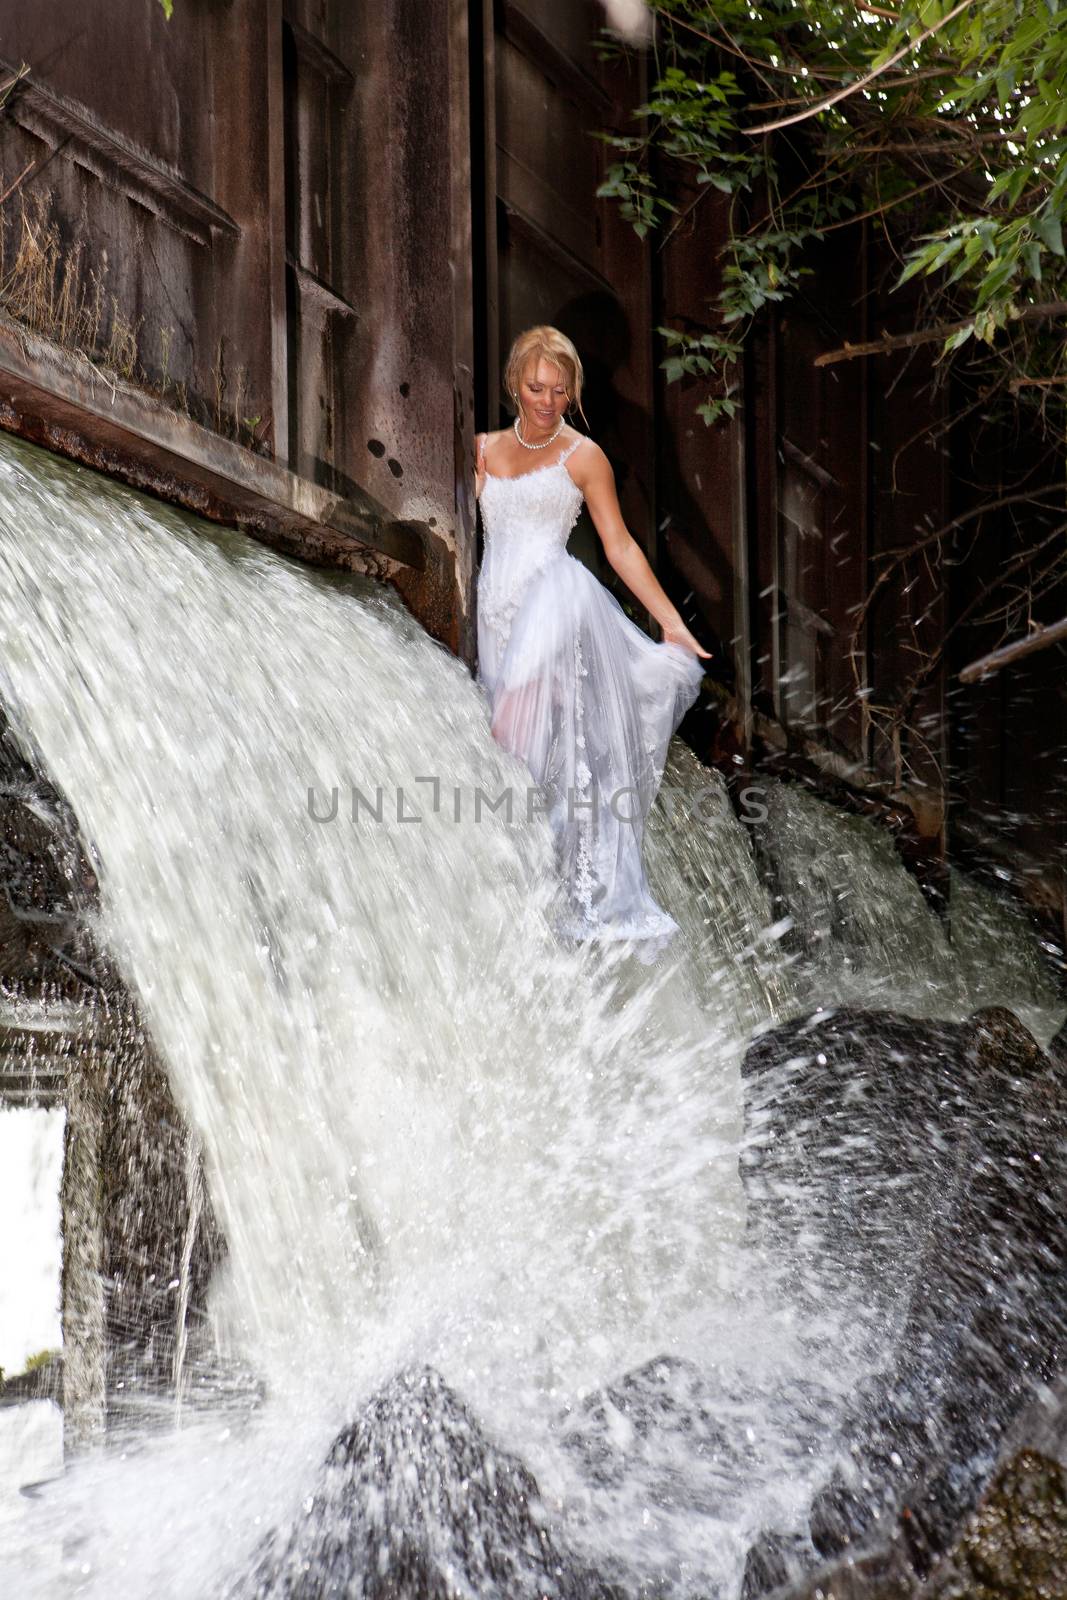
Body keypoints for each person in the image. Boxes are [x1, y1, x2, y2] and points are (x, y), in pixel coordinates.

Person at [475, 325, 710, 959]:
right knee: (529, 766)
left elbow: (620, 545)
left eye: (559, 389)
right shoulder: (480, 451)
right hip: (495, 613)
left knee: (524, 732)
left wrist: (672, 622)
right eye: (535, 387)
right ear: (514, 384)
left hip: (555, 607)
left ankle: (591, 898)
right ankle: (547, 907)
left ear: (573, 389)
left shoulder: (584, 456)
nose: (547, 400)